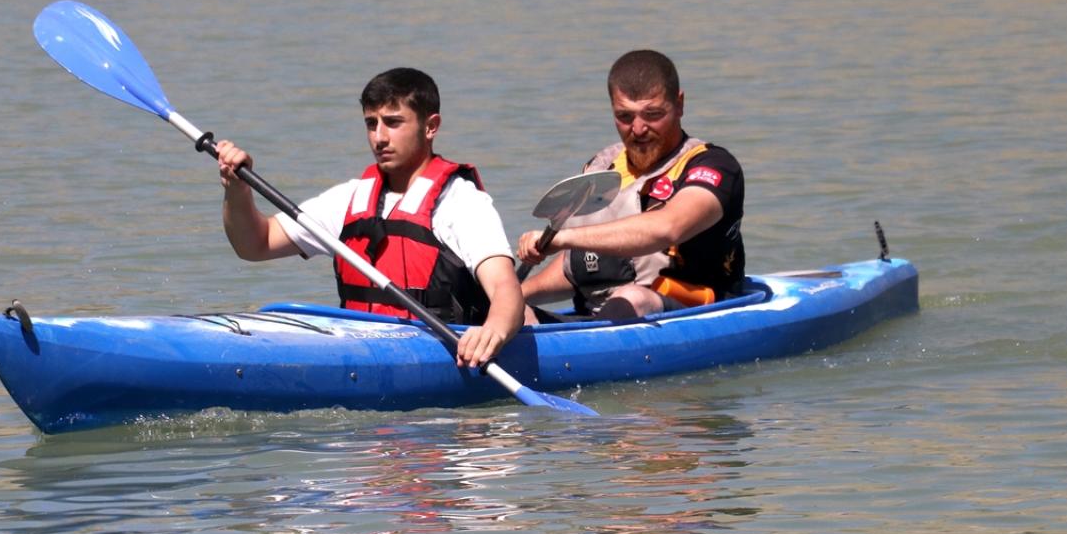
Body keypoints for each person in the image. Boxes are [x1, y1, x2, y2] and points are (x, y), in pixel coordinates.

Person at [216, 67, 524, 368]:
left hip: (446, 354)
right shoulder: (349, 199)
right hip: (361, 352)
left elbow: (503, 286)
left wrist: (493, 332)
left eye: (393, 123)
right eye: (371, 123)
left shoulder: (461, 202)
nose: (379, 137)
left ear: (431, 126)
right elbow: (255, 244)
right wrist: (237, 189)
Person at [517, 50, 745, 322]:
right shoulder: (601, 167)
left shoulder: (713, 166)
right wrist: (514, 295)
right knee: (512, 311)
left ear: (679, 104)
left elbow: (668, 227)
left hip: (691, 311)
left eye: (653, 114)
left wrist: (562, 238)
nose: (638, 129)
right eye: (625, 116)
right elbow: (580, 264)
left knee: (632, 297)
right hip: (602, 318)